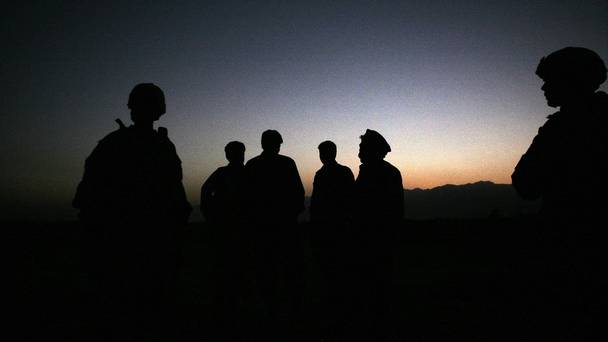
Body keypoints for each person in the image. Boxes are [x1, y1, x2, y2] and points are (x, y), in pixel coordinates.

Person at [73, 83, 191, 339]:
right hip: (126, 241)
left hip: (148, 241)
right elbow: (88, 196)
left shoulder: (149, 144)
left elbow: (175, 191)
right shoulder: (128, 144)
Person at [511, 47, 606, 340]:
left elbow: (525, 184)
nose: (543, 86)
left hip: (570, 252)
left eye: (550, 79)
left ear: (570, 81)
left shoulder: (561, 129)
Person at [244, 130, 305, 338]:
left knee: (268, 272)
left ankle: (274, 312)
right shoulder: (286, 163)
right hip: (281, 227)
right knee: (285, 271)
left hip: (265, 228)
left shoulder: (252, 165)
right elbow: (298, 193)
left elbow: (247, 198)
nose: (278, 146)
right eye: (277, 142)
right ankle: (289, 313)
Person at [351, 129, 403, 340]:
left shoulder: (378, 173)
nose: (359, 153)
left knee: (375, 286)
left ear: (372, 150)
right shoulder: (385, 171)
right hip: (376, 240)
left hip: (374, 240)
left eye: (362, 148)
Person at [200, 141, 252, 338]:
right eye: (239, 152)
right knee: (233, 272)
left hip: (236, 231)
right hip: (232, 231)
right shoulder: (235, 173)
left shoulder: (231, 173)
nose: (241, 155)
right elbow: (206, 194)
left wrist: (211, 214)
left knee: (233, 272)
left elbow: (206, 193)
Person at [309, 140, 355, 340]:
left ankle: (335, 312)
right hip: (338, 230)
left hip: (331, 230)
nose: (321, 155)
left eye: (322, 152)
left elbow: (317, 203)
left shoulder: (323, 175)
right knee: (337, 271)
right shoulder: (344, 172)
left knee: (331, 271)